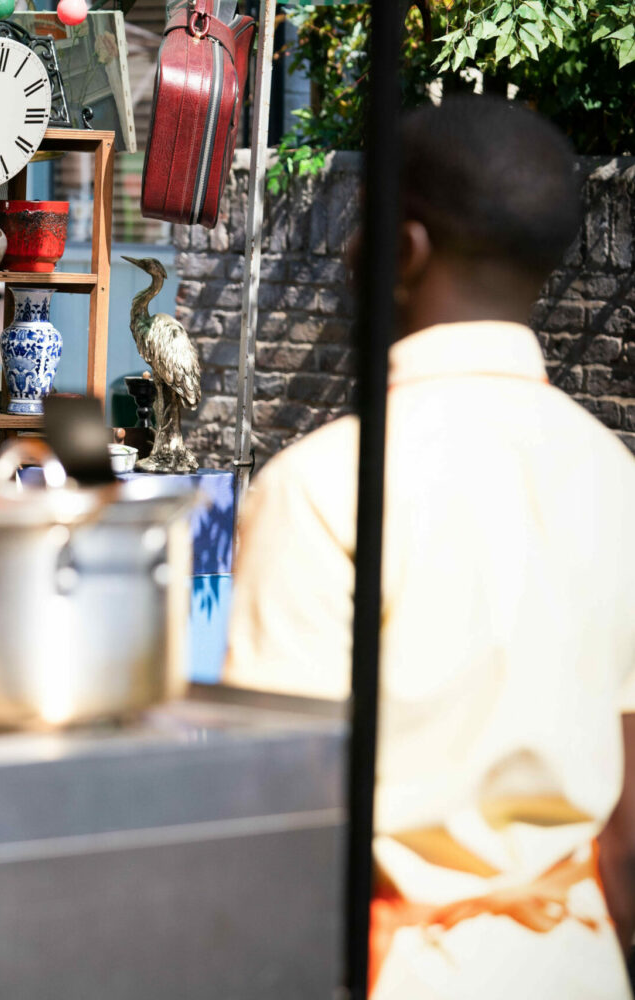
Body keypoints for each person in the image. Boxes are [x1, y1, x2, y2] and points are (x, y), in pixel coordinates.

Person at [223, 97, 635, 998]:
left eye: (361, 227)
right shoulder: (615, 479)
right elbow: (631, 830)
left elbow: (284, 817)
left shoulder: (323, 487)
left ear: (403, 252)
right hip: (581, 963)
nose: (343, 255)